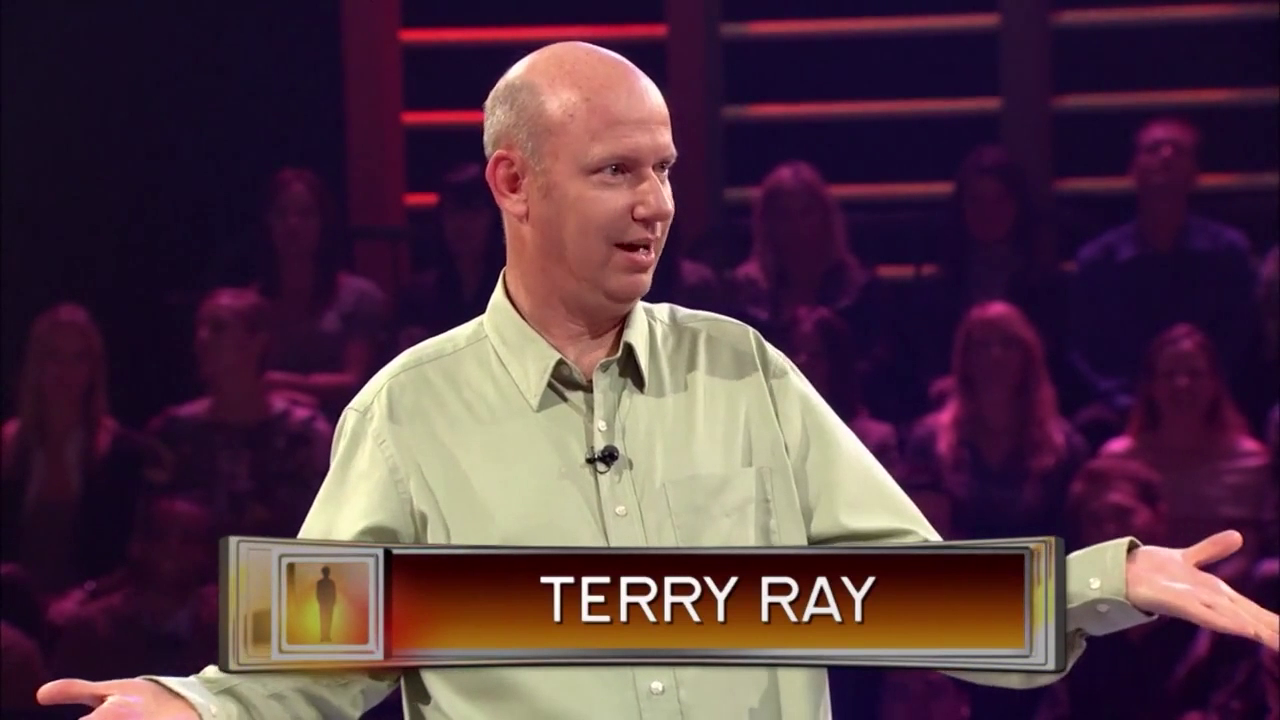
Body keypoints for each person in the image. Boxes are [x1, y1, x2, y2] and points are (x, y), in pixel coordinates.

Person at [39, 41, 1278, 720]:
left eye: (665, 170)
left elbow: (910, 601)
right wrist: (190, 707)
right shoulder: (407, 412)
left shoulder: (745, 374)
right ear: (511, 183)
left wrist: (1103, 582)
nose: (655, 207)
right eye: (615, 173)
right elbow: (323, 657)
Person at [1, 303, 164, 597]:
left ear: (93, 369)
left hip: (92, 611)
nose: (66, 371)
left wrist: (86, 597)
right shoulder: (8, 446)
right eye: (54, 357)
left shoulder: (121, 452)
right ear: (35, 365)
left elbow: (132, 556)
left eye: (79, 358)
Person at [253, 167, 390, 419]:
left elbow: (354, 381)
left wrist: (277, 382)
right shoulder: (253, 302)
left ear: (323, 223)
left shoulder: (359, 297)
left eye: (305, 214)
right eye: (282, 214)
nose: (292, 224)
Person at [316, 567, 336, 643]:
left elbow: (333, 593)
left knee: (325, 619)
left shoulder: (320, 583)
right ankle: (325, 636)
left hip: (325, 604)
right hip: (326, 604)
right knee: (326, 619)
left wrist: (321, 602)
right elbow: (318, 594)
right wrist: (332, 602)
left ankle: (325, 636)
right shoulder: (331, 582)